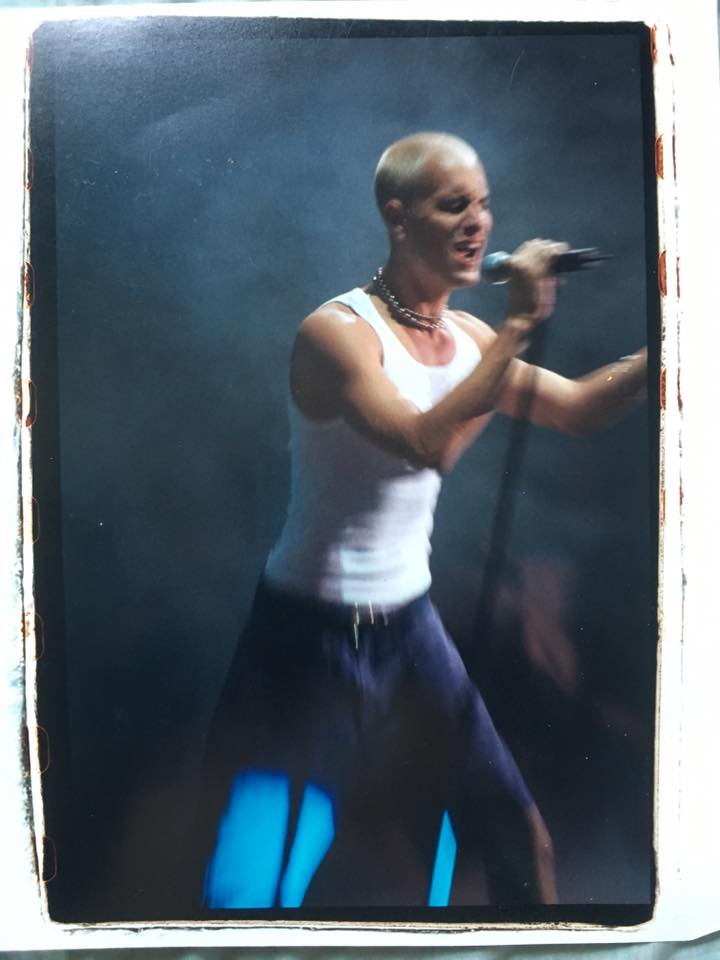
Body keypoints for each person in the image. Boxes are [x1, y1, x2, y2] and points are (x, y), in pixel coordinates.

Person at [198, 132, 647, 912]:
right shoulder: (337, 333)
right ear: (399, 218)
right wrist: (517, 328)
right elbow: (420, 444)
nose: (478, 223)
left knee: (517, 836)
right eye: (453, 205)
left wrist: (673, 343)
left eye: (484, 204)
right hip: (307, 638)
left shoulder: (469, 339)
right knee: (261, 878)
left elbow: (578, 408)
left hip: (409, 630)